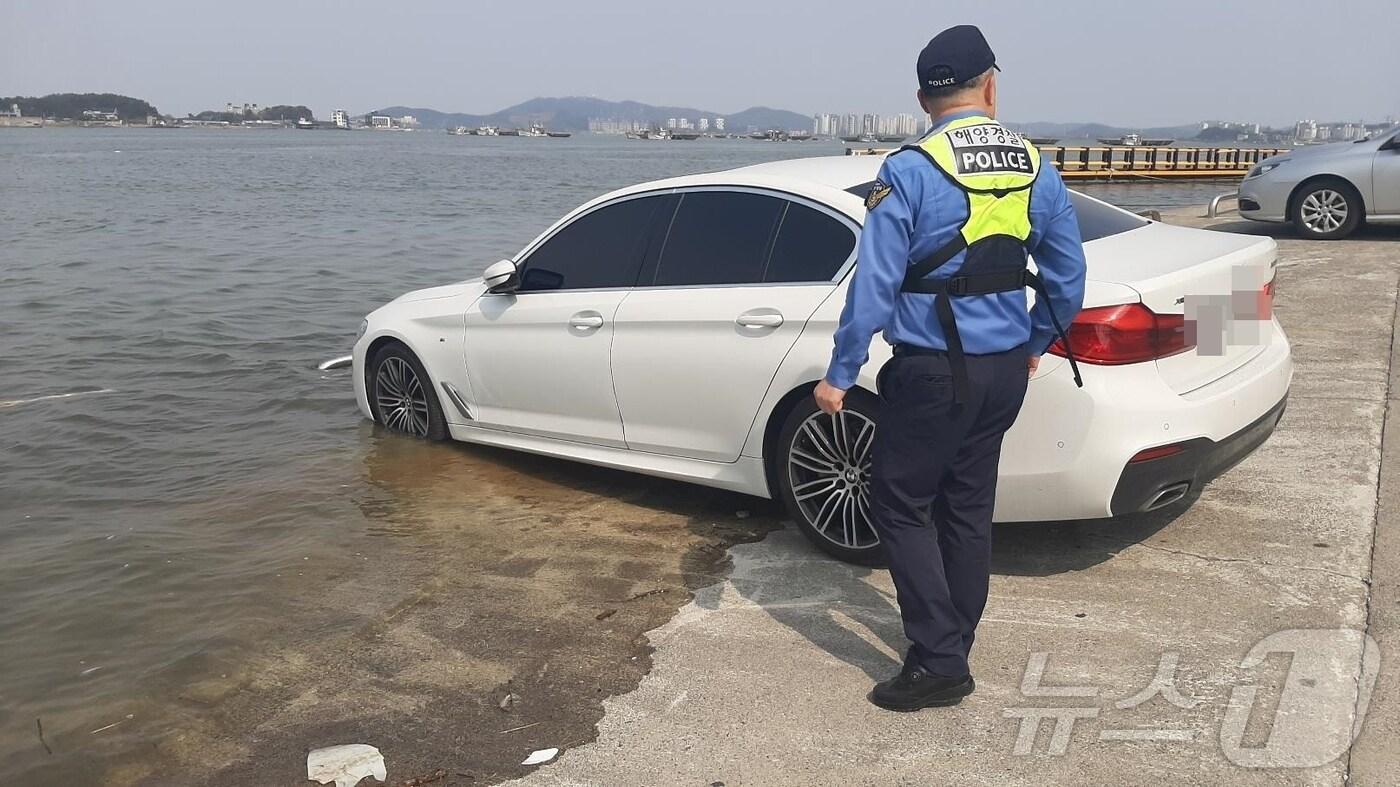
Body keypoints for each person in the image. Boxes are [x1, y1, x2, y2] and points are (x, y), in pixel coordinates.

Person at [813, 24, 1087, 712]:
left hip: (933, 372)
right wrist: (1033, 344)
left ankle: (940, 661)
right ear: (990, 87)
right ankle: (951, 641)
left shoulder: (908, 170)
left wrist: (841, 373)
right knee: (968, 508)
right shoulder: (1033, 165)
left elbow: (872, 287)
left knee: (901, 504)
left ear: (922, 99)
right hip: (1002, 372)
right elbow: (1067, 276)